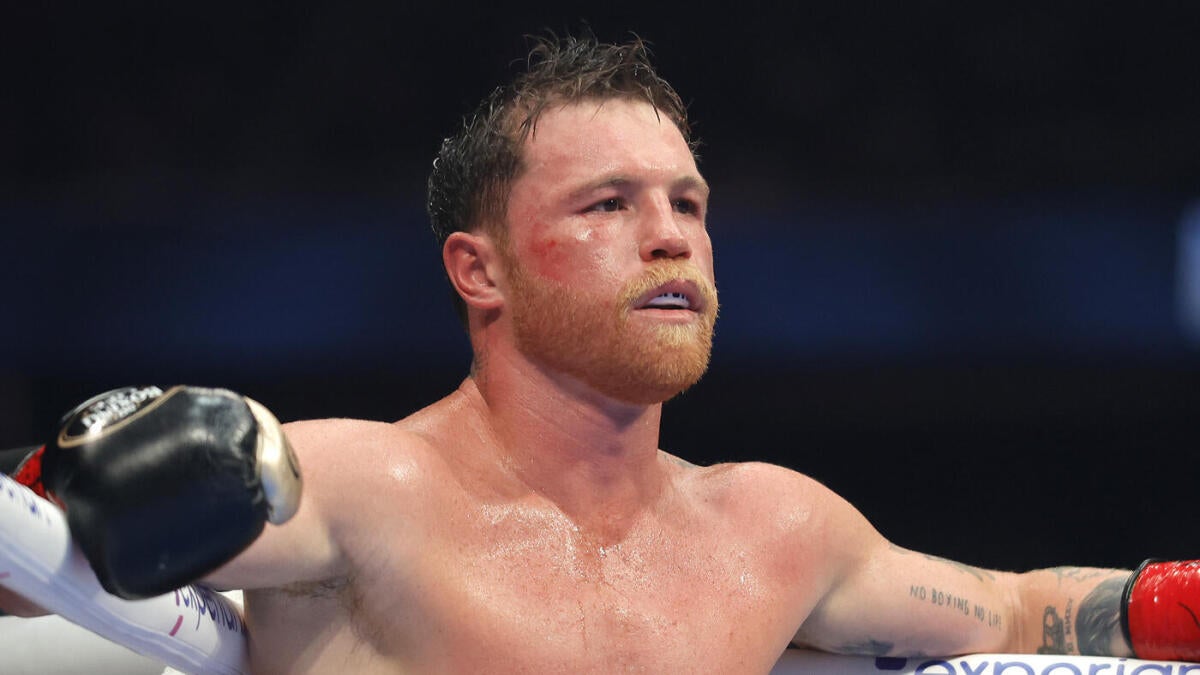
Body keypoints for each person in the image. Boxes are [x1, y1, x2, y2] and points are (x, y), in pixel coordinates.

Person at [0, 35, 1195, 673]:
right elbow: (26, 563)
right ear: (480, 271)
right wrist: (77, 479)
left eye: (689, 201)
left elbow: (1013, 610)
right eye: (608, 204)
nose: (671, 235)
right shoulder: (361, 491)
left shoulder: (774, 531)